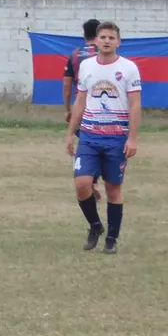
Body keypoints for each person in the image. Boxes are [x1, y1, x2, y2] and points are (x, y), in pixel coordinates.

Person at [66, 21, 142, 254]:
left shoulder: (129, 68)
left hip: (116, 138)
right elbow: (80, 101)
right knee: (82, 184)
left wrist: (132, 138)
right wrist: (70, 133)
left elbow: (135, 104)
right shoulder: (87, 66)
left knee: (113, 189)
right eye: (103, 37)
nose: (107, 41)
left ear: (118, 42)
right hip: (89, 136)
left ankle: (111, 238)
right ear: (95, 41)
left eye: (111, 37)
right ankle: (95, 226)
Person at [63, 19, 102, 201]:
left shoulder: (75, 54)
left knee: (85, 143)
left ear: (84, 34)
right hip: (102, 107)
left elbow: (67, 83)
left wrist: (67, 108)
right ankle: (93, 180)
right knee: (102, 143)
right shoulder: (105, 53)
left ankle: (86, 178)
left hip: (82, 105)